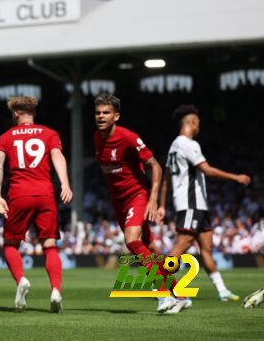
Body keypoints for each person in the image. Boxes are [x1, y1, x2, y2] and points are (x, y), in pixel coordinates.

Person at [93, 93, 183, 314]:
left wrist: (152, 200)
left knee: (132, 241)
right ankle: (180, 294)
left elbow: (156, 166)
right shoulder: (97, 137)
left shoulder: (129, 138)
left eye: (106, 112)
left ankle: (163, 295)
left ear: (117, 116)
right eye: (98, 112)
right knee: (149, 248)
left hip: (137, 196)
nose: (101, 116)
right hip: (119, 202)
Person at [159, 105, 251, 304]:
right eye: (198, 122)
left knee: (207, 247)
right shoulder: (188, 144)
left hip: (198, 204)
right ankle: (158, 282)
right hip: (191, 204)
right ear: (192, 122)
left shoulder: (174, 146)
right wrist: (235, 177)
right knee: (183, 243)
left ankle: (222, 290)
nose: (199, 126)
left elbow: (166, 179)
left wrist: (162, 205)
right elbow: (207, 170)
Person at [0, 96, 73, 312]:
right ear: (33, 113)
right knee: (49, 245)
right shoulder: (49, 133)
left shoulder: (5, 137)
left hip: (19, 194)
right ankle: (56, 290)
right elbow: (58, 156)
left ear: (15, 114)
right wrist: (65, 183)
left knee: (10, 244)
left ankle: (21, 280)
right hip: (45, 193)